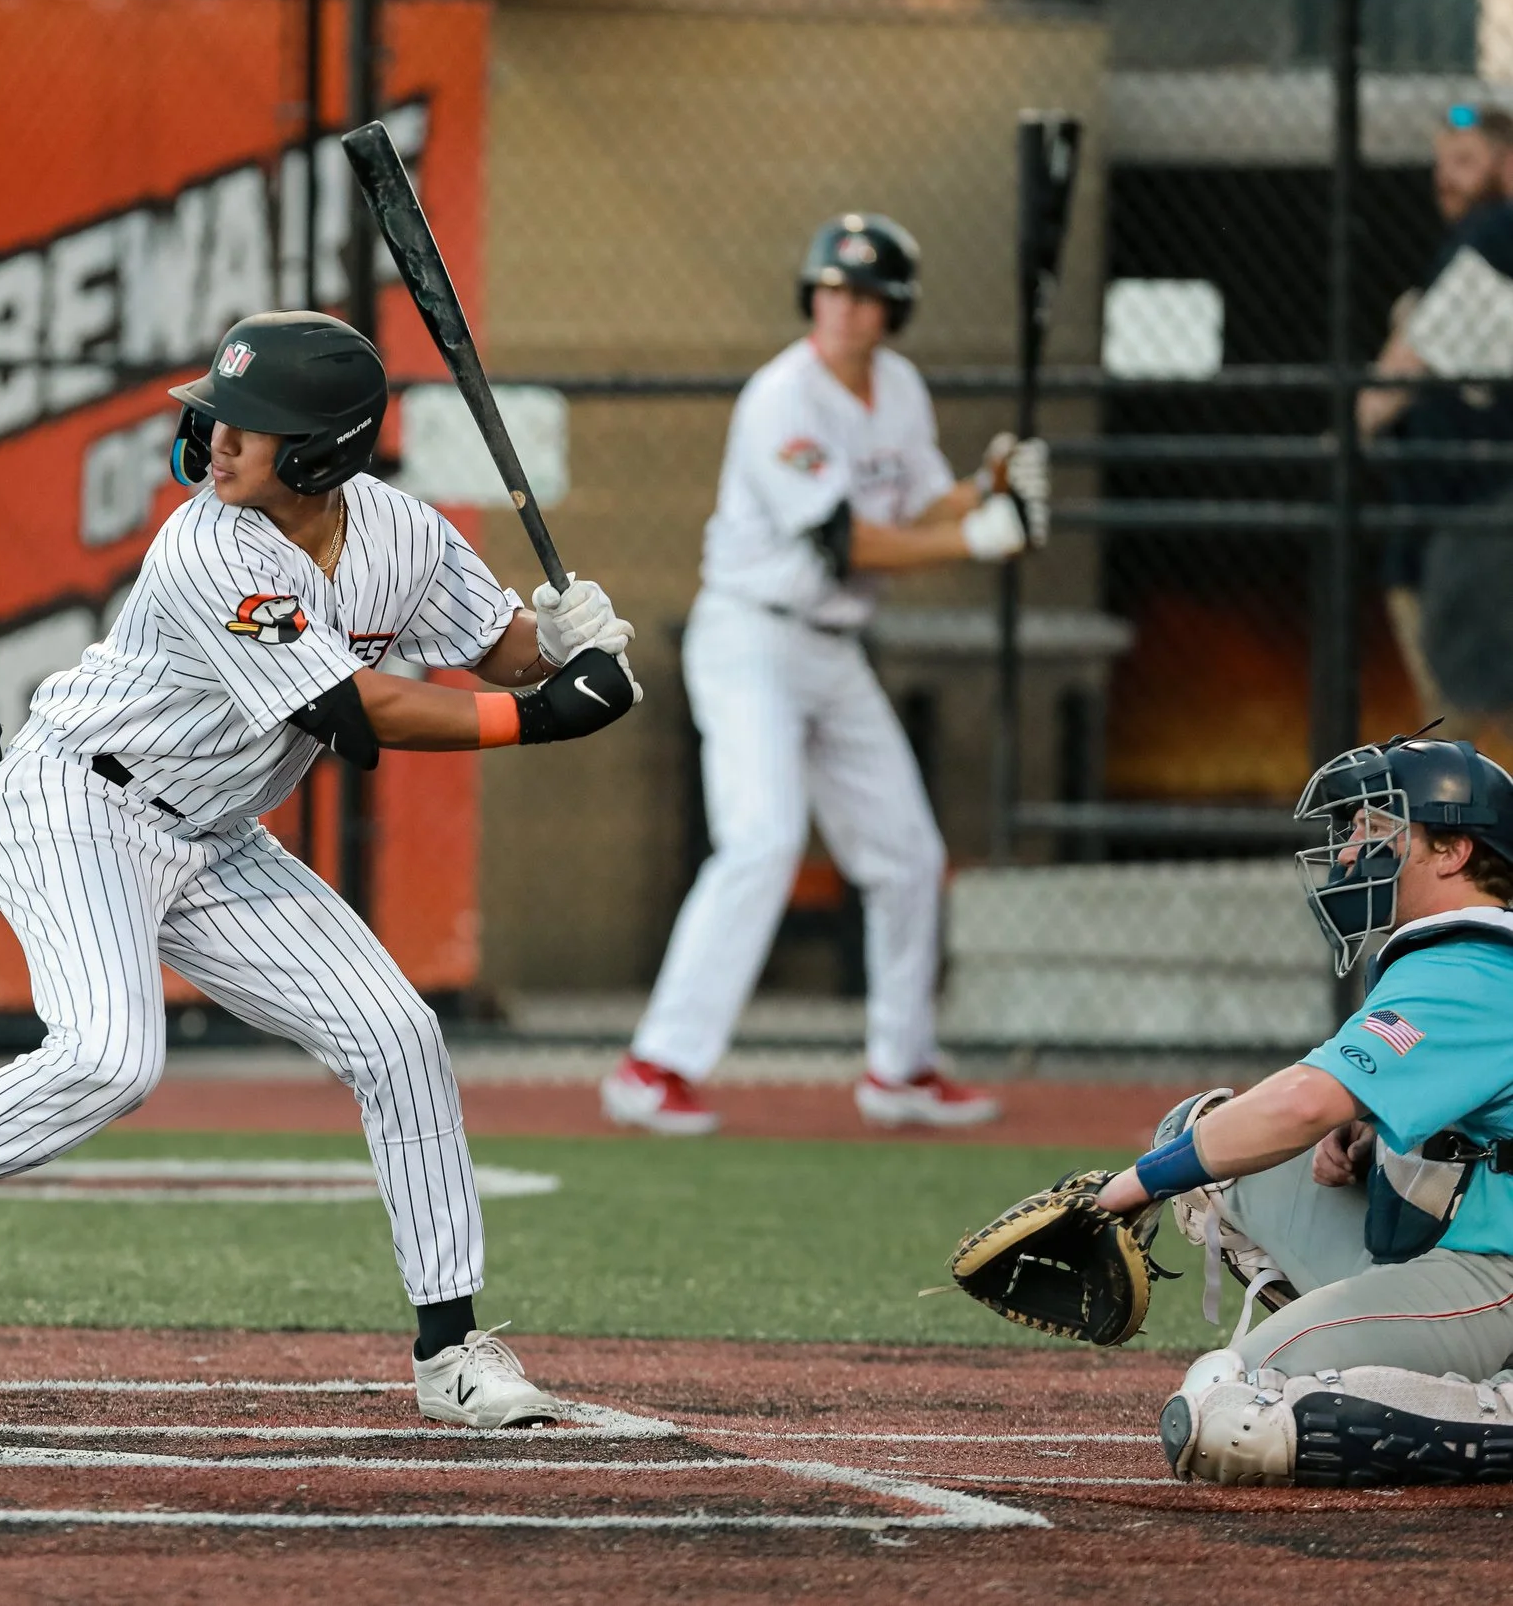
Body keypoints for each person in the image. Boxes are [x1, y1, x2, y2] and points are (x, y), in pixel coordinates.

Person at [0, 310, 641, 1428]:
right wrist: (542, 715)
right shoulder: (207, 544)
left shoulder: (403, 532)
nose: (215, 438)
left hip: (211, 835)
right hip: (72, 801)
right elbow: (351, 708)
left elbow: (492, 646)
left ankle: (449, 1351)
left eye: (247, 424)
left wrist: (560, 638)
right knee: (109, 1055)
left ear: (322, 449)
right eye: (218, 414)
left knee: (398, 1034)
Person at [605, 215, 1046, 1138]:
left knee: (909, 855)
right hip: (751, 638)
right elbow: (845, 540)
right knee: (762, 839)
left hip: (834, 649)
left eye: (865, 295)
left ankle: (901, 1067)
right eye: (833, 290)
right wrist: (973, 536)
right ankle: (655, 1064)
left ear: (894, 311)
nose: (845, 308)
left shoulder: (899, 388)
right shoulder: (781, 398)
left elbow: (919, 504)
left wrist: (987, 484)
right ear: (813, 296)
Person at [1074, 734, 1513, 1487]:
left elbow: (1304, 1100)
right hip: (1457, 1245)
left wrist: (1131, 1186)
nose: (1346, 853)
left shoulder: (1474, 963)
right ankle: (1372, 1346)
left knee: (1232, 1415)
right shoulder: (1462, 955)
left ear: (1452, 851)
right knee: (1201, 1147)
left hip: (1496, 1273)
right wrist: (1376, 1130)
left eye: (1375, 831)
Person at [1359, 105, 1513, 729]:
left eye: (1467, 161)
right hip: (1449, 517)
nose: (1446, 178)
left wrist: (1366, 410)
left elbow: (1404, 368)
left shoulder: (1495, 233)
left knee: (1453, 719)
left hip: (1469, 519)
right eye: (1441, 163)